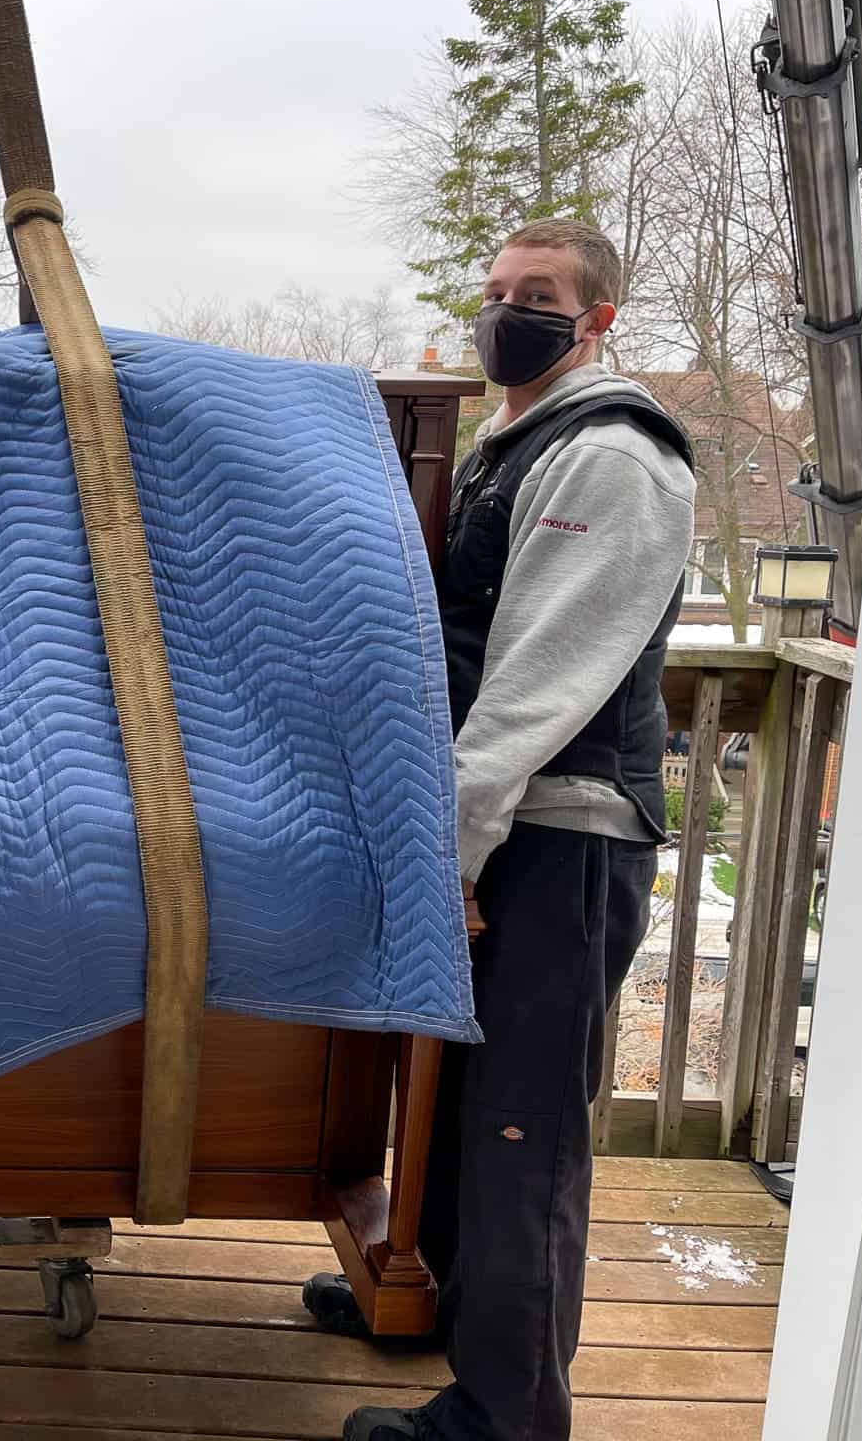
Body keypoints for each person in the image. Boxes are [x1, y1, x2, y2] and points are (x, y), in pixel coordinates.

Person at [322, 219, 698, 1440]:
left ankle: (505, 1413)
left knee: (521, 1125)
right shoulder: (508, 443)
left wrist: (454, 844)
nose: (505, 312)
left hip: (563, 832)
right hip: (502, 823)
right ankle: (426, 1302)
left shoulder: (613, 456)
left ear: (595, 319)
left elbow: (541, 678)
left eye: (536, 294)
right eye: (494, 291)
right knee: (461, 1087)